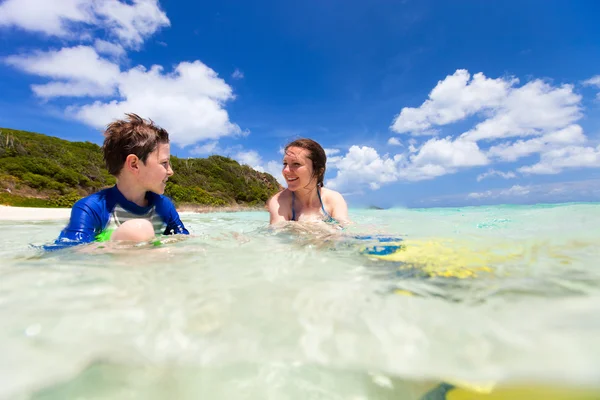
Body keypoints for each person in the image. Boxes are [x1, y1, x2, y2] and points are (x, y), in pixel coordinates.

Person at [49, 113, 189, 250]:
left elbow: (185, 241)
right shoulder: (91, 208)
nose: (170, 171)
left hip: (149, 268)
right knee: (138, 230)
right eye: (164, 163)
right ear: (134, 164)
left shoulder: (164, 206)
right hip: (112, 266)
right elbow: (67, 251)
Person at [267, 138, 349, 226]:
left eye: (296, 164)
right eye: (285, 164)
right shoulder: (279, 202)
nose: (286, 170)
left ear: (318, 171)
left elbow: (343, 232)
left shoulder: (334, 199)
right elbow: (278, 236)